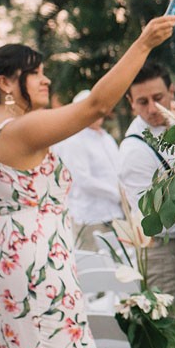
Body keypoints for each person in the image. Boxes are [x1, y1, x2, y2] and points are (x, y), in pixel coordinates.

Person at [0, 16, 175, 348]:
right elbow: (97, 105)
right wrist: (142, 43)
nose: (45, 80)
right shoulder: (21, 130)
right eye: (35, 72)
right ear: (7, 82)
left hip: (7, 261)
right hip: (39, 268)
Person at [119, 61, 175, 332]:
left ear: (172, 91)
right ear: (131, 103)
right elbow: (156, 219)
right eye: (142, 102)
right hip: (166, 255)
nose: (152, 108)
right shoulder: (134, 150)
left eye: (158, 98)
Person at [53, 90, 124, 250]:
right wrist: (116, 194)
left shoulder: (106, 137)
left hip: (115, 214)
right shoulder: (75, 140)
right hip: (91, 217)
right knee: (98, 266)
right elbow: (83, 179)